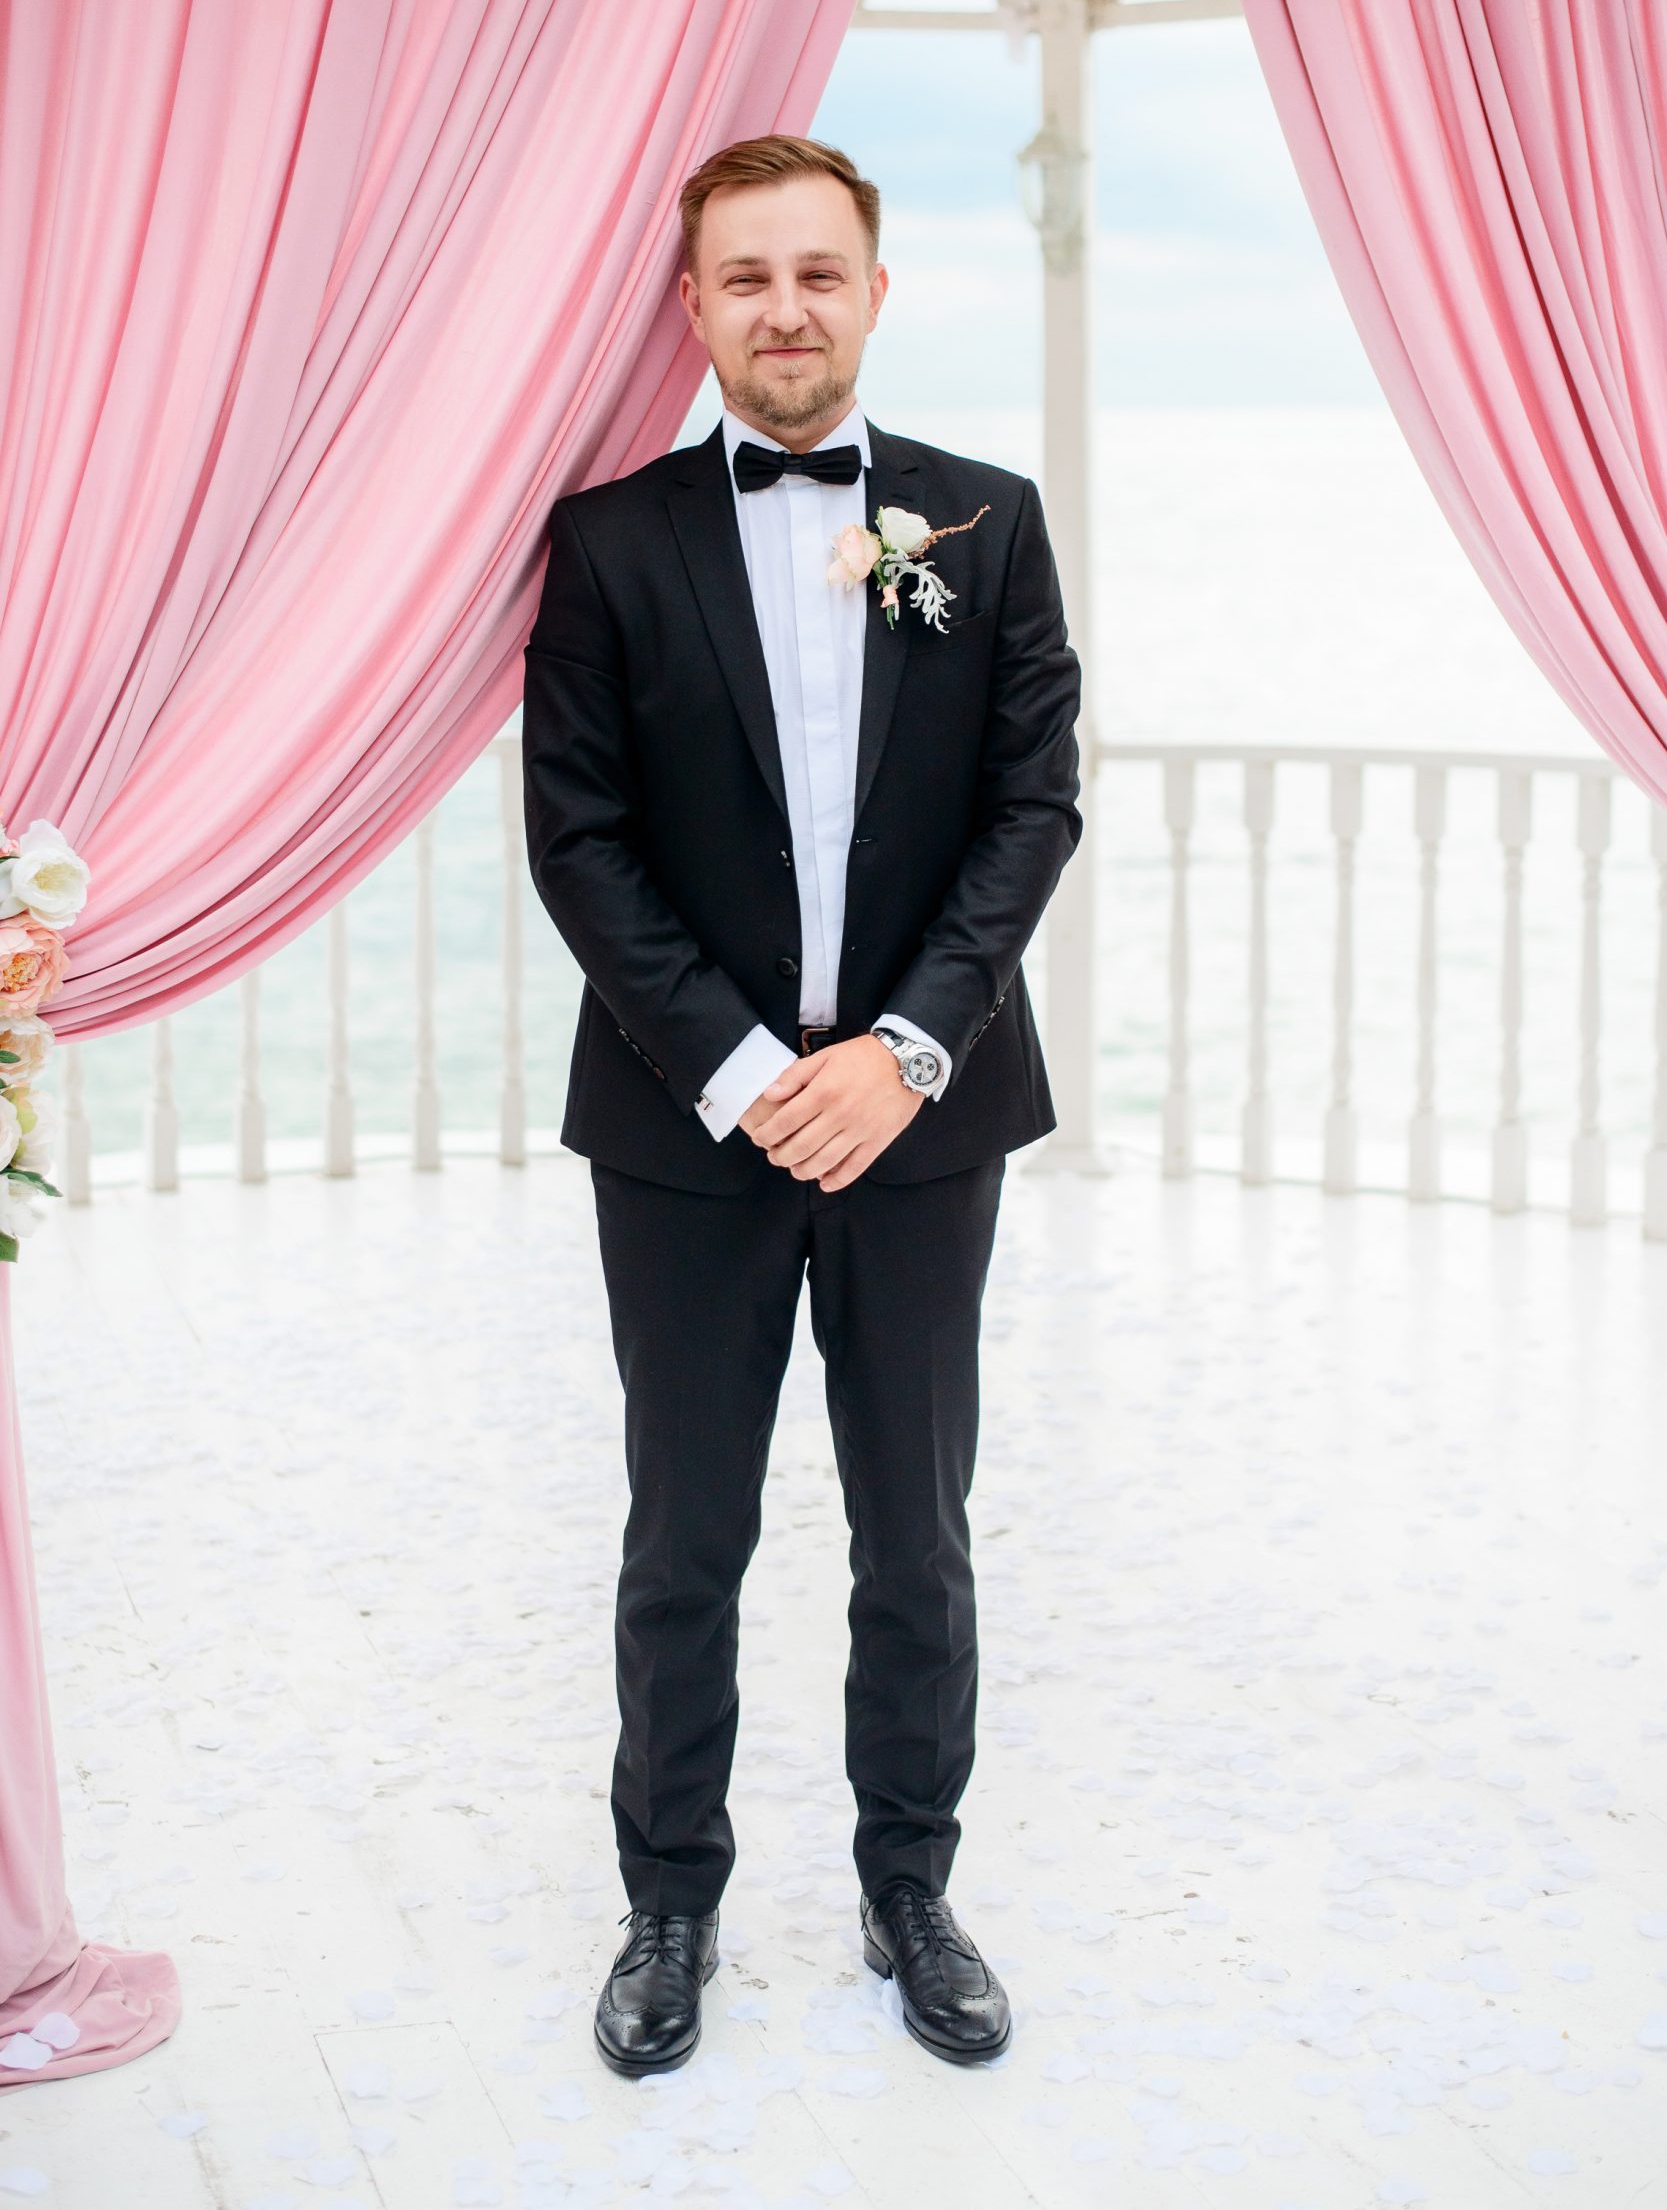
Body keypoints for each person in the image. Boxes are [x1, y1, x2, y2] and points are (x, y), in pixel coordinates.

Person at [521, 133, 1082, 2077]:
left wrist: (905, 1046)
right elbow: (580, 843)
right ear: (695, 308)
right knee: (687, 1525)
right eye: (744, 276)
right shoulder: (607, 541)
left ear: (874, 291)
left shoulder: (983, 525)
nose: (783, 307)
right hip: (690, 1131)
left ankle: (910, 1884)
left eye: (817, 271)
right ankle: (667, 1894)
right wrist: (758, 1073)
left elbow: (1033, 808)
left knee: (916, 1529)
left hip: (925, 1122)